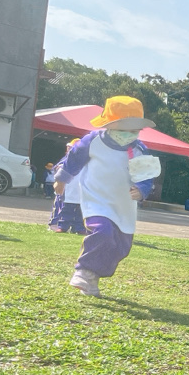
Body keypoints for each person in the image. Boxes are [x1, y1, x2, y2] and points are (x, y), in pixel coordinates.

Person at [53, 96, 158, 296]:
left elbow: (146, 175)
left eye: (135, 130)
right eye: (125, 128)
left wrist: (142, 189)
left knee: (120, 246)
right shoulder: (93, 141)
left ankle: (92, 278)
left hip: (123, 205)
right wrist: (62, 179)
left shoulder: (139, 149)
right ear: (110, 124)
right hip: (96, 199)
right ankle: (84, 271)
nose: (130, 134)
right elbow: (73, 159)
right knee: (102, 231)